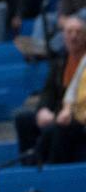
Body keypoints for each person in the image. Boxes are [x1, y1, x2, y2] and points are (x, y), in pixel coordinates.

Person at [15, 17, 86, 159]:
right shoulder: (59, 62)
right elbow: (48, 92)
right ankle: (28, 167)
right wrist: (43, 110)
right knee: (23, 119)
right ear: (63, 36)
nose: (73, 36)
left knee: (58, 129)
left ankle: (51, 172)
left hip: (78, 117)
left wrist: (67, 113)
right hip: (60, 113)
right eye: (69, 32)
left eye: (78, 32)